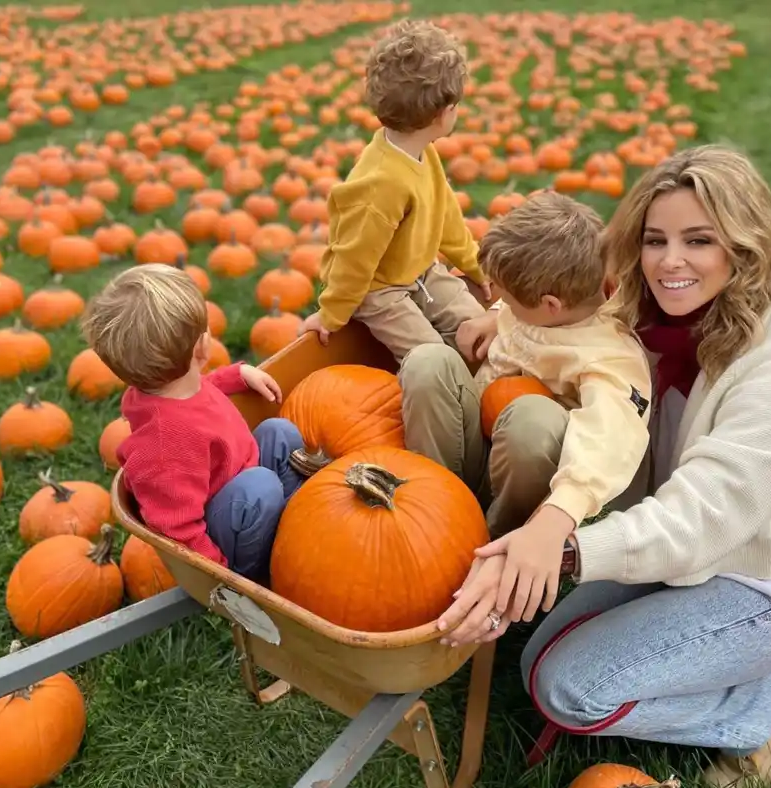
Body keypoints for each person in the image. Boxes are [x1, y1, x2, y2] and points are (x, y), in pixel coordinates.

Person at [436, 144, 771, 788]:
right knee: (539, 655)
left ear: (744, 244)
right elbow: (559, 312)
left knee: (566, 688)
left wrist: (559, 546)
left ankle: (765, 709)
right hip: (682, 555)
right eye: (655, 239)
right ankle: (752, 664)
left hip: (756, 581)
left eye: (697, 239)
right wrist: (498, 313)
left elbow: (696, 522)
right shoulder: (653, 309)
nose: (668, 260)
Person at [460, 192, 651, 573]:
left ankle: (493, 544)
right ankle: (431, 492)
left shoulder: (609, 356)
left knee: (532, 419)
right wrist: (496, 316)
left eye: (508, 301)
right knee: (429, 363)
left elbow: (608, 435)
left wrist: (563, 507)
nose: (502, 304)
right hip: (473, 438)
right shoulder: (549, 301)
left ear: (550, 307)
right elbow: (516, 305)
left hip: (520, 474)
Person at [82, 264, 305, 579]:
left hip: (237, 482)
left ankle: (299, 517)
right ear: (202, 347)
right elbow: (177, 528)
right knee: (261, 485)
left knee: (278, 433)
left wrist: (237, 374)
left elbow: (202, 390)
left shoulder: (168, 387)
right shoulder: (163, 446)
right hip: (223, 535)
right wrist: (221, 576)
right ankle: (266, 569)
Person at [299, 18, 491, 361]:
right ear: (442, 114)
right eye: (457, 106)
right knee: (432, 359)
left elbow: (445, 216)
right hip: (378, 290)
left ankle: (471, 373)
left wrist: (475, 265)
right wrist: (331, 314)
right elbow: (354, 258)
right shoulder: (381, 184)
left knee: (477, 322)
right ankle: (440, 386)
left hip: (419, 271)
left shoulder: (422, 152)